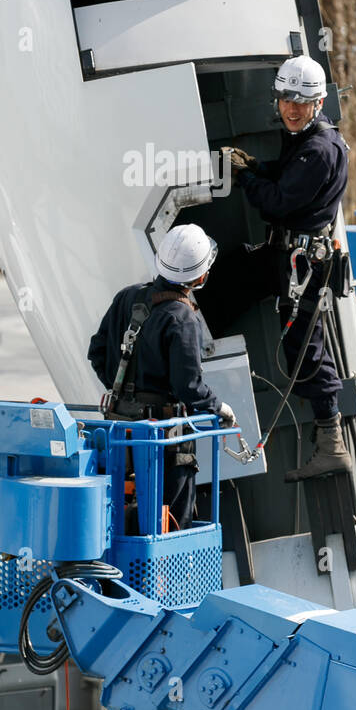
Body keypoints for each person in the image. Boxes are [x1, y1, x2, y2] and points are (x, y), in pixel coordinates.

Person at [201, 55, 351, 478]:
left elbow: (276, 200)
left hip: (301, 265)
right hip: (285, 256)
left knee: (306, 348)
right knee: (227, 279)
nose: (291, 108)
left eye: (302, 102)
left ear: (319, 103)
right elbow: (285, 178)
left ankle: (332, 444)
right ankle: (194, 344)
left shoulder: (319, 149)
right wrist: (255, 165)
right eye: (286, 98)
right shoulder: (305, 139)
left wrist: (247, 178)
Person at [88, 225, 235, 529]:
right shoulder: (183, 319)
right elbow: (188, 387)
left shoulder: (126, 298)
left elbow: (98, 353)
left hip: (119, 430)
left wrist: (124, 395)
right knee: (168, 523)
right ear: (201, 276)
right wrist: (219, 408)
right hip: (163, 444)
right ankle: (161, 578)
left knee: (118, 516)